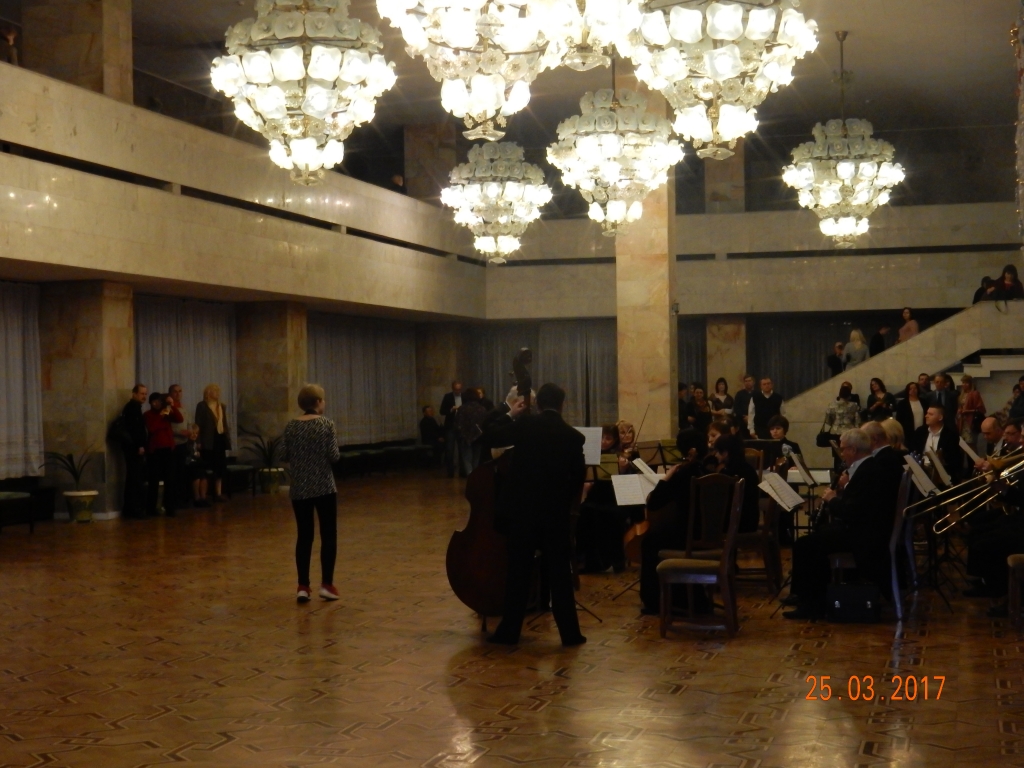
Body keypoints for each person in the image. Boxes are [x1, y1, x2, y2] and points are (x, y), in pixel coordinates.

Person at [484, 383, 587, 647]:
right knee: (560, 576)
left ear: (537, 404)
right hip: (555, 516)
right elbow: (577, 479)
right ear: (562, 405)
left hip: (523, 514)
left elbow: (491, 436)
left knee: (518, 573)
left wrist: (511, 412)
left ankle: (509, 632)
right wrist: (562, 503)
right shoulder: (573, 437)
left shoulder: (526, 425)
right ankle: (570, 635)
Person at [782, 427, 904, 620]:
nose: (841, 453)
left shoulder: (867, 471)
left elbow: (851, 512)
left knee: (805, 545)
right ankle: (810, 597)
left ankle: (811, 604)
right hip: (864, 530)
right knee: (815, 537)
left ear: (853, 450)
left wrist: (832, 499)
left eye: (843, 448)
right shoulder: (868, 467)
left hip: (864, 537)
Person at [281, 384, 342, 603]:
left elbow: (283, 454)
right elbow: (334, 456)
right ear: (317, 402)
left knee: (304, 536)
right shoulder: (326, 424)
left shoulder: (291, 426)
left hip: (300, 488)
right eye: (323, 400)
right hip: (324, 486)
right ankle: (327, 584)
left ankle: (303, 586)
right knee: (328, 534)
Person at [639, 429, 709, 614]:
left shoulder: (682, 474)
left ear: (689, 452)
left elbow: (654, 503)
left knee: (650, 541)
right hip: (711, 536)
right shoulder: (708, 472)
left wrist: (666, 478)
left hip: (687, 539)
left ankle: (656, 602)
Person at [143, 392, 183, 518]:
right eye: (154, 401)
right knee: (154, 481)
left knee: (170, 480)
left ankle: (170, 508)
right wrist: (161, 416)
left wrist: (172, 406)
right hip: (155, 451)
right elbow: (152, 428)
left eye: (159, 401)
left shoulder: (166, 413)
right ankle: (151, 509)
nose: (156, 404)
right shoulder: (148, 415)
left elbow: (179, 419)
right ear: (150, 403)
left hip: (168, 450)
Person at [195, 384, 231, 502]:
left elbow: (224, 423)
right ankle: (205, 494)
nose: (218, 393)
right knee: (208, 467)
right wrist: (198, 441)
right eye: (215, 391)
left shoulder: (221, 406)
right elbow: (198, 424)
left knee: (220, 467)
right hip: (208, 439)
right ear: (208, 393)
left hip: (219, 438)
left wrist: (227, 437)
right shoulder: (202, 406)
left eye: (218, 391)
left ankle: (218, 493)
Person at [120, 384, 150, 519]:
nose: (144, 396)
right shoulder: (132, 408)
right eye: (142, 393)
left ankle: (132, 508)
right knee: (134, 478)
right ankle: (132, 509)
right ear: (134, 394)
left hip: (133, 447)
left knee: (134, 478)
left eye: (145, 394)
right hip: (134, 448)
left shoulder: (135, 407)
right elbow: (135, 429)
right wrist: (140, 446)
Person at [911, 405, 962, 482]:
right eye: (927, 413)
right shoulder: (920, 432)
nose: (926, 416)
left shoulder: (950, 435)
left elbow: (953, 460)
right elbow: (914, 451)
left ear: (940, 417)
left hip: (941, 472)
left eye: (930, 414)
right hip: (921, 469)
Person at [456, 388, 489, 475]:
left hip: (466, 436)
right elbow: (485, 423)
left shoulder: (462, 409)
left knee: (467, 459)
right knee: (476, 459)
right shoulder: (482, 409)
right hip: (479, 436)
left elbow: (459, 423)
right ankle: (475, 477)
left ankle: (470, 476)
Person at [179, 423, 210, 507]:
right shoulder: (184, 445)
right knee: (197, 475)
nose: (194, 435)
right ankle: (197, 498)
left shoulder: (195, 444)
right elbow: (186, 460)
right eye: (192, 433)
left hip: (195, 465)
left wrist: (198, 457)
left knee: (203, 475)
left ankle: (203, 498)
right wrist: (193, 456)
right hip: (187, 467)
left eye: (196, 433)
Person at [440, 381, 464, 478]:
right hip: (451, 426)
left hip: (462, 426)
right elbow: (442, 411)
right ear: (453, 388)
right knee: (449, 449)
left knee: (462, 449)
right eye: (456, 389)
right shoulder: (448, 397)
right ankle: (450, 471)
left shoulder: (465, 396)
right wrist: (451, 410)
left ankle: (463, 471)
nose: (458, 391)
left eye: (459, 389)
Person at [957, 375, 986, 447]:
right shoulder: (962, 394)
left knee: (971, 444)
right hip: (962, 422)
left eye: (966, 383)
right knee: (963, 444)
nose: (964, 385)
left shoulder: (975, 393)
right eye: (963, 382)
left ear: (970, 383)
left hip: (971, 421)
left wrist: (967, 411)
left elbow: (981, 409)